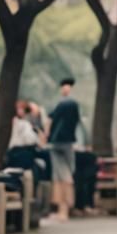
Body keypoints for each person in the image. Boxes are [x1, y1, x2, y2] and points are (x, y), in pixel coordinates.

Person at [47, 78, 81, 221]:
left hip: (57, 143)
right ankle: (64, 210)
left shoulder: (62, 104)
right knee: (65, 175)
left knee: (62, 177)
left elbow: (49, 120)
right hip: (67, 143)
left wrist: (46, 136)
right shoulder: (73, 105)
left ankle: (63, 210)